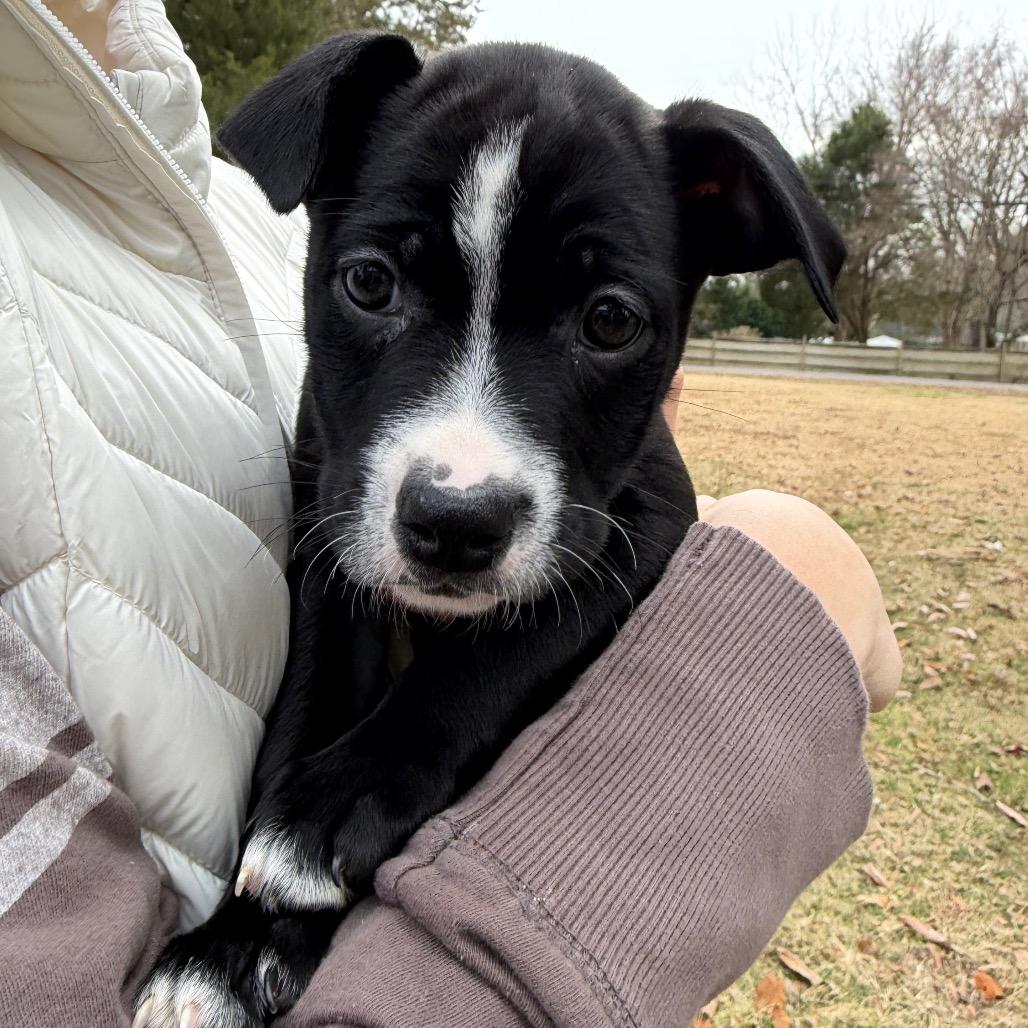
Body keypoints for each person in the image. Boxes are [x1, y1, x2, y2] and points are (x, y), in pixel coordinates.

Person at [0, 1, 899, 1025]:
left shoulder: (191, 184)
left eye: (607, 318)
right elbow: (321, 606)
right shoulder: (281, 175)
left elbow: (642, 541)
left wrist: (411, 748)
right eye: (375, 284)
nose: (461, 464)